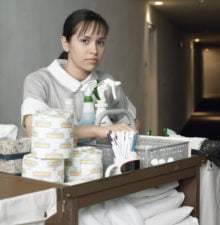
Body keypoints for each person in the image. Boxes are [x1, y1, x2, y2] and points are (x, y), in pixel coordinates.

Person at [21, 9, 137, 140]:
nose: (94, 50)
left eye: (100, 42)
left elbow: (132, 121)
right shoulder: (39, 81)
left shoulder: (106, 82)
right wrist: (97, 130)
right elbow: (35, 130)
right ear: (66, 43)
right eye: (84, 41)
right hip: (56, 160)